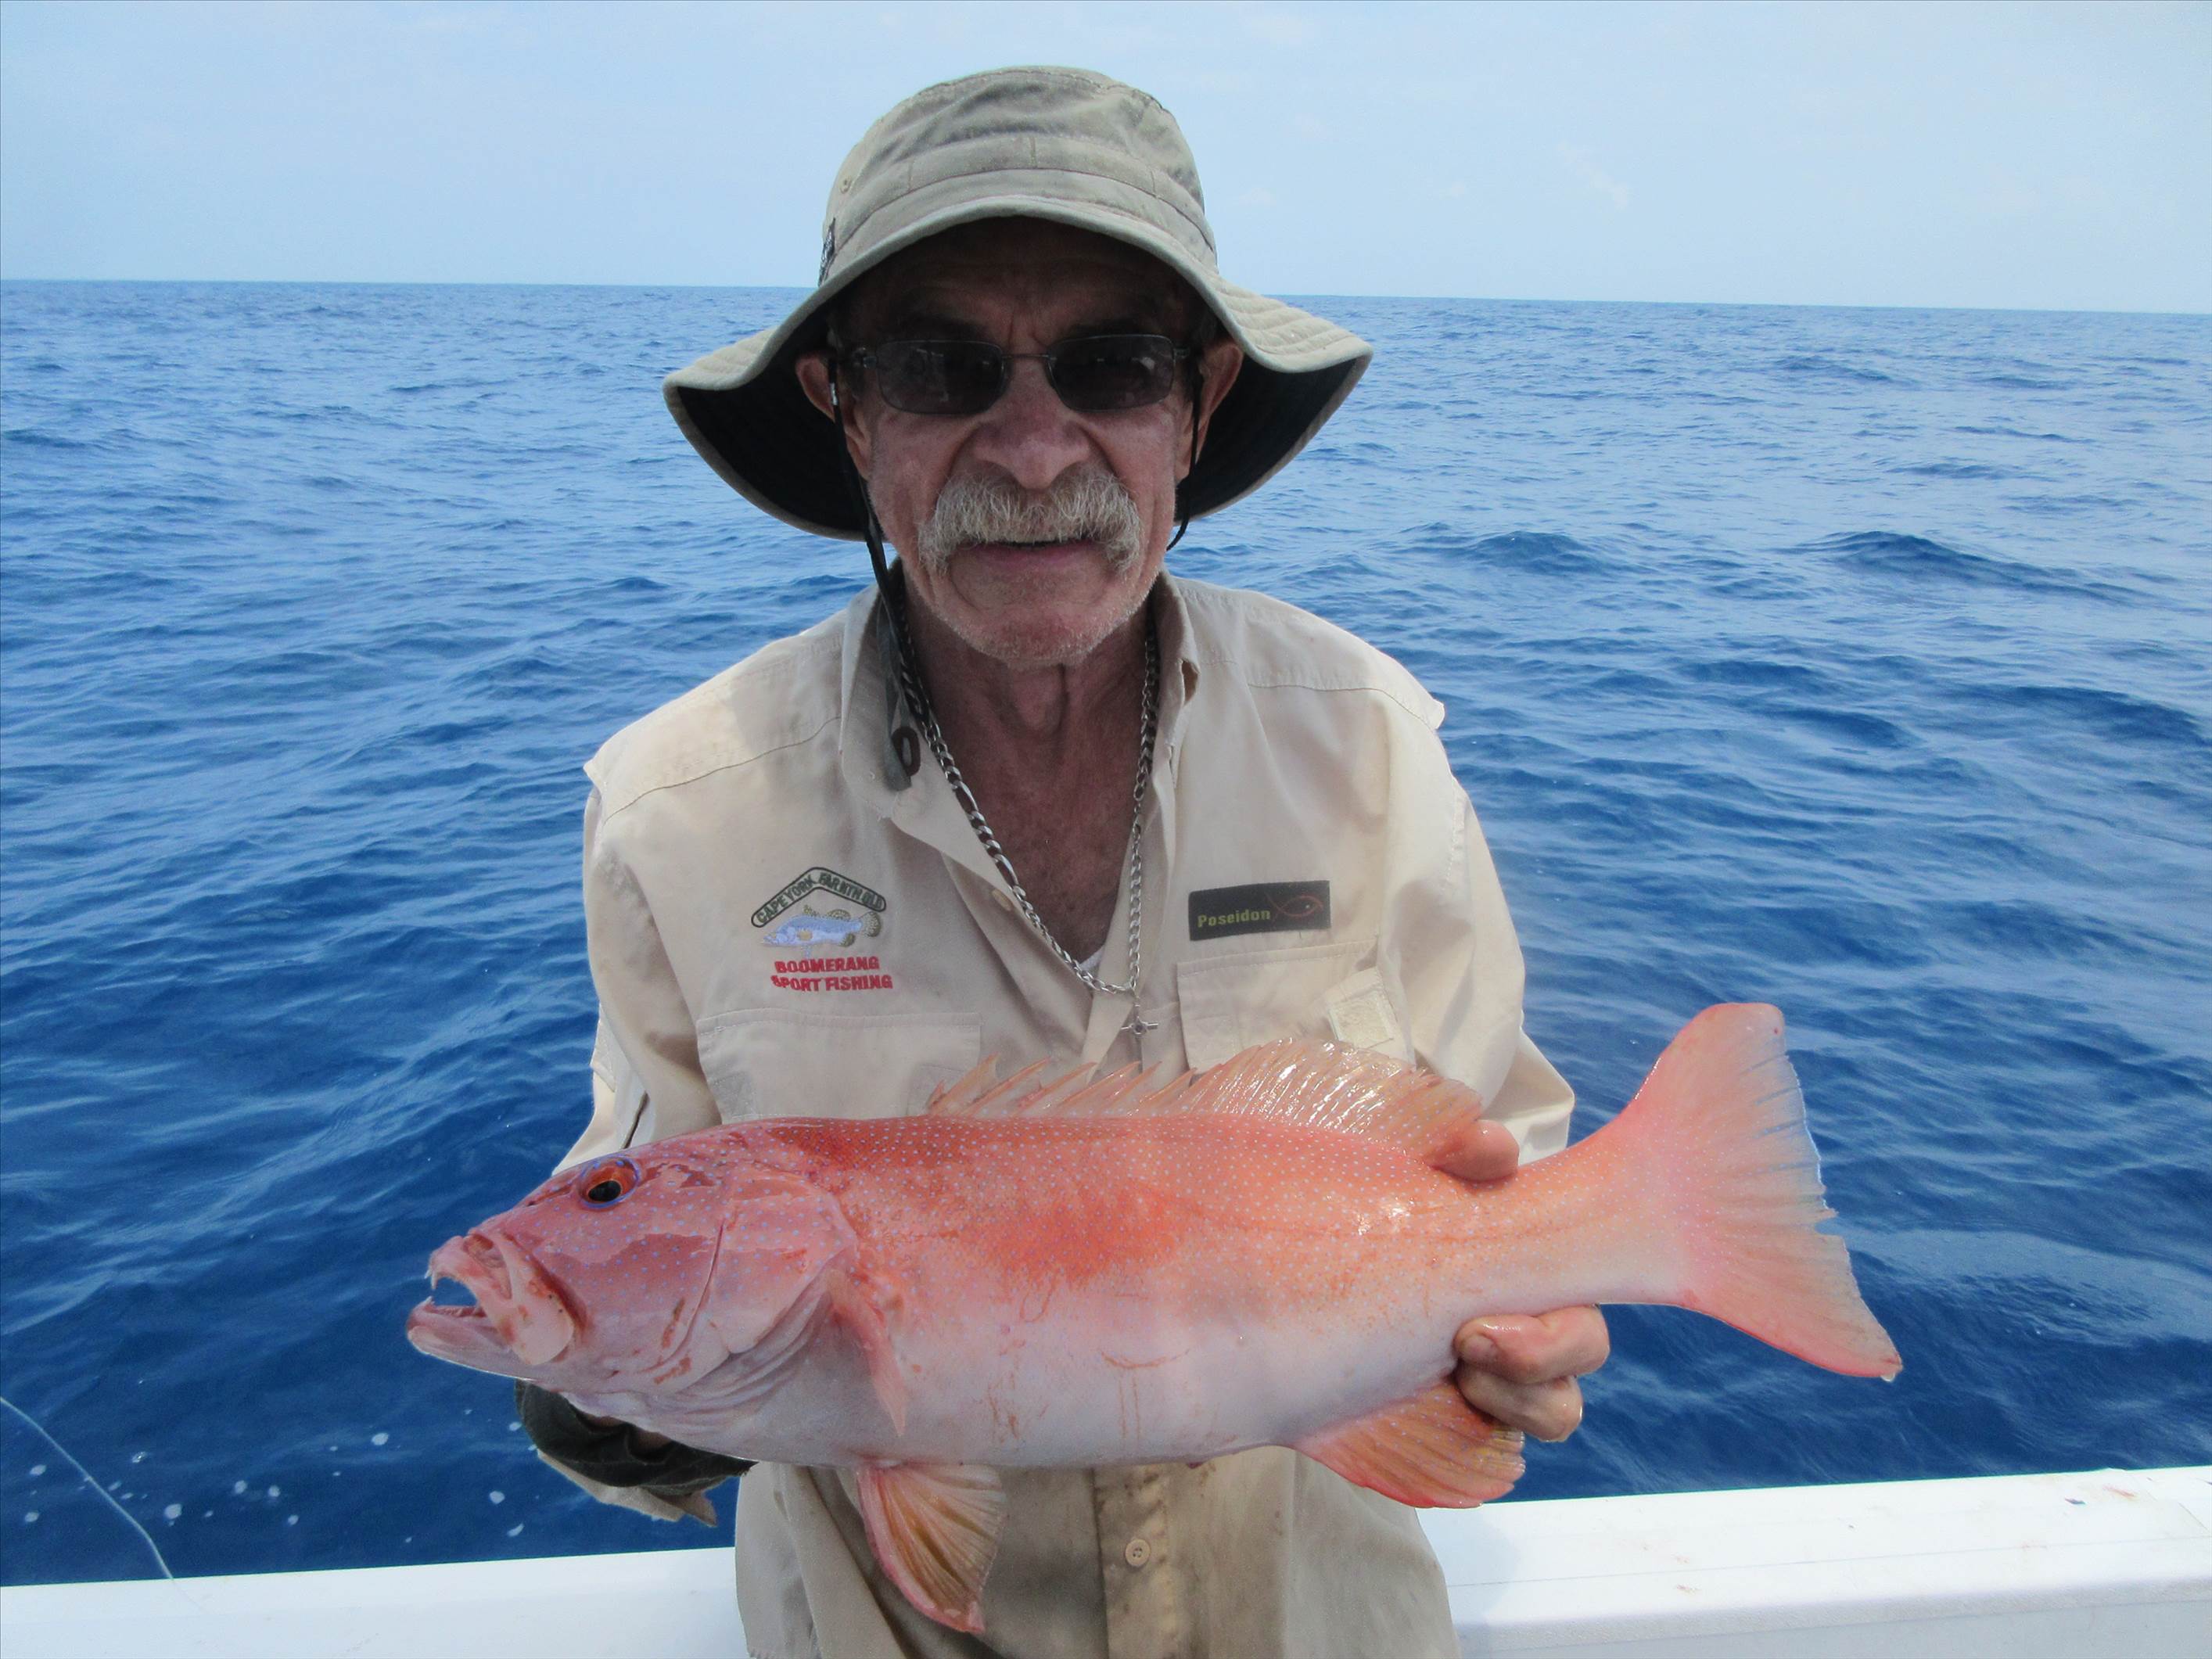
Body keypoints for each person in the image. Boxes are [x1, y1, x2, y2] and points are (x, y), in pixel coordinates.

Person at [519, 65, 1609, 1659]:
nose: (1032, 449)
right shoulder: (678, 810)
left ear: (1197, 407)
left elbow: (1501, 1166)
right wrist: (610, 1388)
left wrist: (1534, 1326)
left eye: (1108, 364)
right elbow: (641, 1226)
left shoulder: (1370, 747)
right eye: (937, 364)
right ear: (844, 406)